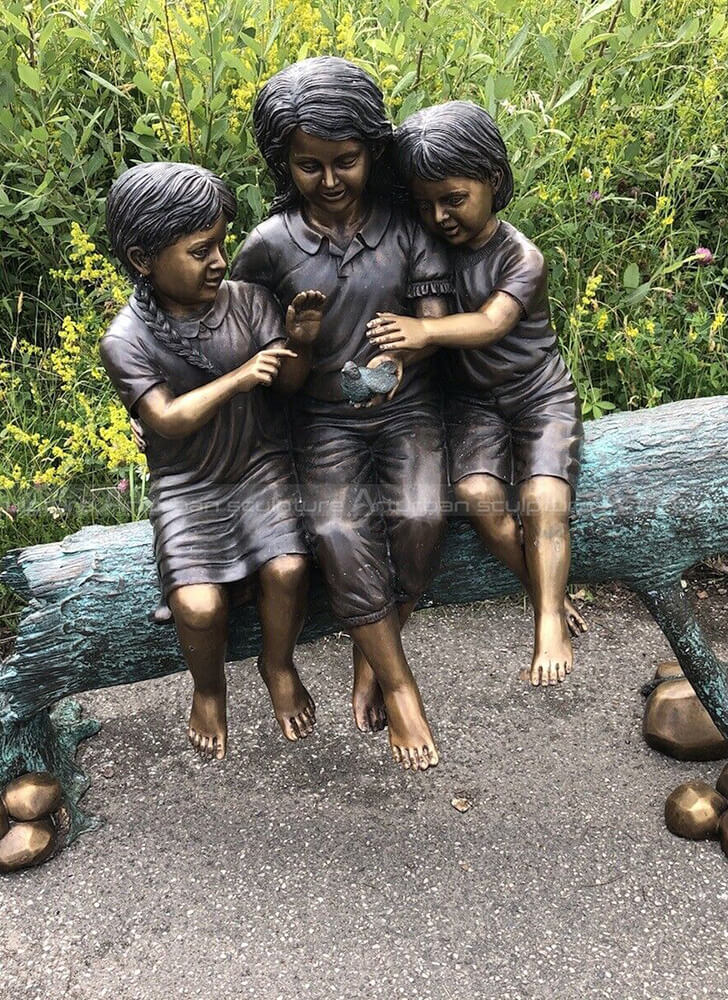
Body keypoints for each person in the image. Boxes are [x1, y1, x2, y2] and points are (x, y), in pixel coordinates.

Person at [231, 57, 453, 771]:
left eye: (347, 162)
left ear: (374, 151)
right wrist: (295, 343)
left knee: (421, 516)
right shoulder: (268, 248)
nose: (329, 182)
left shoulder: (405, 228)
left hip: (405, 407)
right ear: (282, 163)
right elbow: (262, 370)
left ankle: (371, 648)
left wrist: (405, 358)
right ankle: (401, 683)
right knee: (335, 526)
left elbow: (433, 317)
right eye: (308, 166)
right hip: (322, 422)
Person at [100, 160, 326, 760]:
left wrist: (298, 343)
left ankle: (277, 665)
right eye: (200, 251)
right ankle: (207, 688)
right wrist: (239, 375)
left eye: (222, 244)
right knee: (197, 606)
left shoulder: (249, 304)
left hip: (258, 466)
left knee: (287, 570)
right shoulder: (127, 338)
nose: (220, 261)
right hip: (187, 484)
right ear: (143, 259)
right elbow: (166, 419)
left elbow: (288, 384)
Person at [366, 100, 586, 687]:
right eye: (425, 204)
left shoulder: (522, 257)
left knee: (543, 498)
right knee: (479, 497)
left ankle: (547, 623)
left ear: (492, 180)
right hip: (472, 404)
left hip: (538, 394)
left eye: (453, 198)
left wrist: (425, 330)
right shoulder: (430, 251)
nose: (439, 216)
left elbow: (491, 323)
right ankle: (545, 593)